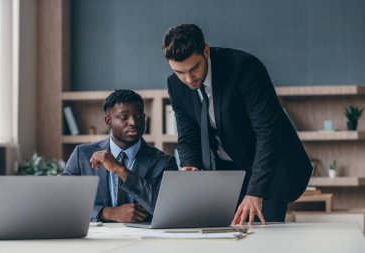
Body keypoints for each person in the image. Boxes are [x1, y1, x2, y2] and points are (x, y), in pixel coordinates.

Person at [162, 24, 312, 225]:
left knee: (261, 237)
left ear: (206, 51)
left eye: (194, 68)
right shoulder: (175, 85)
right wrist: (191, 165)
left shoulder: (244, 67)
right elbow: (188, 136)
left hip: (269, 170)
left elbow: (267, 131)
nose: (188, 79)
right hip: (226, 173)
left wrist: (255, 191)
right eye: (180, 72)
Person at [62, 89, 178, 222]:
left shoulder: (163, 162)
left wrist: (120, 170)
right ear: (108, 121)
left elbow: (167, 208)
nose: (133, 122)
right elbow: (62, 200)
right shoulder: (81, 155)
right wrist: (107, 213)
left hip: (145, 239)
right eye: (124, 117)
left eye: (139, 116)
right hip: (96, 239)